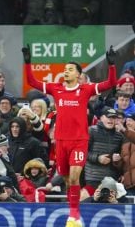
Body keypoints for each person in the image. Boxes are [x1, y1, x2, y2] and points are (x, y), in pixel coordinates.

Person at [22, 44, 117, 226]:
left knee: (74, 177)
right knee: (67, 179)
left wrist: (111, 66)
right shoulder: (56, 89)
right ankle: (73, 215)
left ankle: (74, 214)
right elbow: (33, 82)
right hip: (60, 142)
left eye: (70, 69)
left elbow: (110, 84)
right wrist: (28, 62)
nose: (66, 72)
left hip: (79, 141)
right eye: (65, 69)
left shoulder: (85, 89)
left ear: (78, 75)